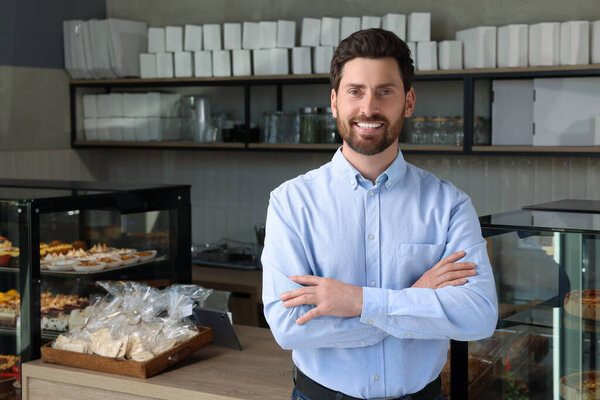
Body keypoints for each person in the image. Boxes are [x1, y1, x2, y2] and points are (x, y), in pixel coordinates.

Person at [261, 28, 498, 400]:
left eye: (385, 91)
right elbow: (290, 328)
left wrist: (358, 301)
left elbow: (479, 315)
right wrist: (415, 299)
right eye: (356, 91)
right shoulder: (291, 203)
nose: (368, 108)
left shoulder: (449, 204)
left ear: (408, 101)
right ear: (335, 102)